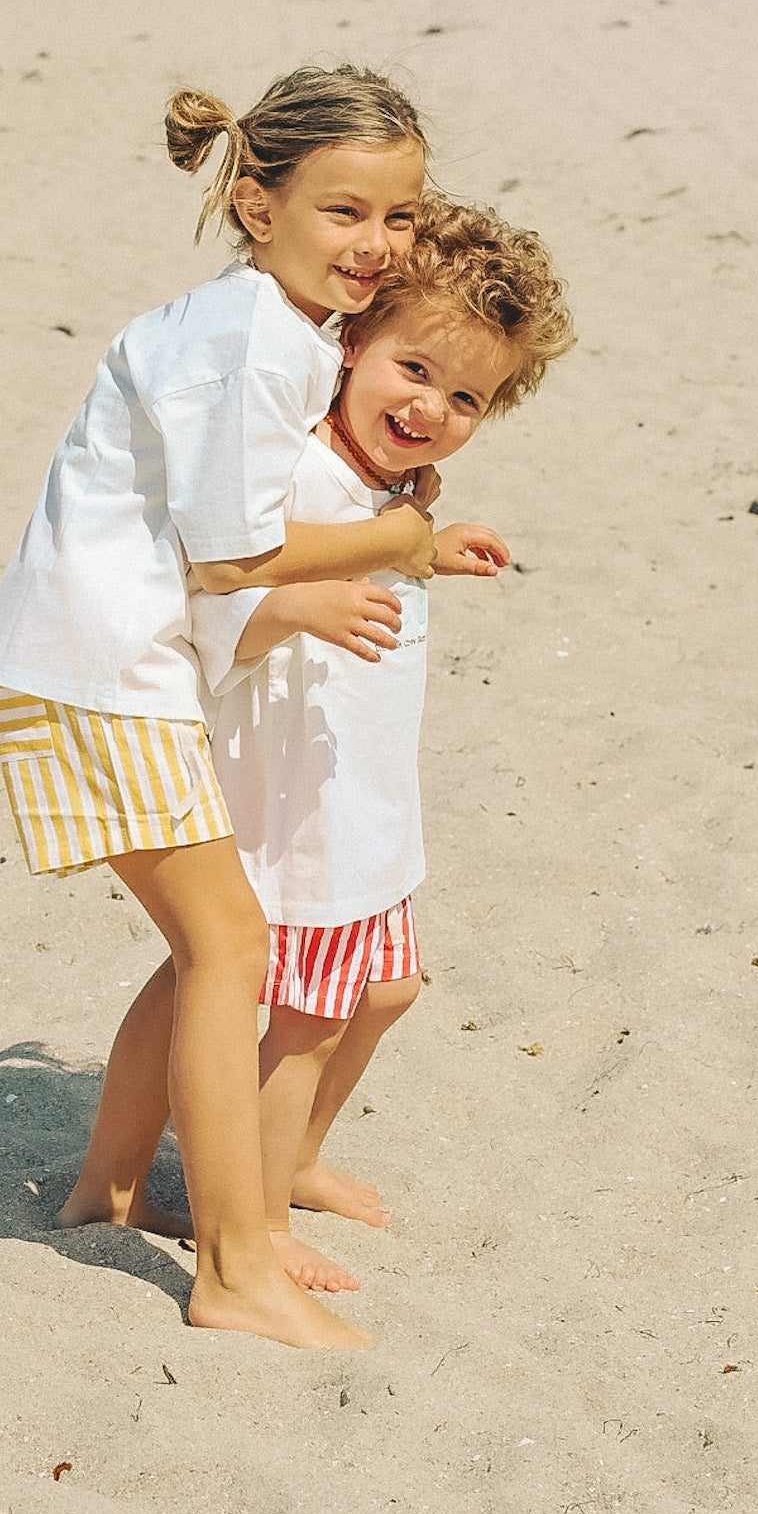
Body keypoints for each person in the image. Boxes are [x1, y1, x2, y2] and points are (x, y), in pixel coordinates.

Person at [0, 66, 434, 1348]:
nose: (377, 246)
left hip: (102, 661)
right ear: (256, 201)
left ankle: (109, 1188)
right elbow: (230, 554)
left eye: (400, 219)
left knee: (210, 942)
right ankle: (233, 1263)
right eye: (346, 212)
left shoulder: (264, 326)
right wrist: (389, 538)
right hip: (96, 668)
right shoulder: (249, 337)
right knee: (231, 949)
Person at [192, 204, 575, 1291]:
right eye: (414, 368)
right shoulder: (300, 477)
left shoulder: (377, 485)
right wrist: (298, 602)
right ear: (352, 342)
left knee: (386, 989)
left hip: (369, 797)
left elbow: (381, 548)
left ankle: (296, 1155)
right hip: (303, 802)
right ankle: (253, 1221)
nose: (430, 407)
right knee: (309, 1014)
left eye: (467, 396)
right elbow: (214, 599)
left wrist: (429, 546)